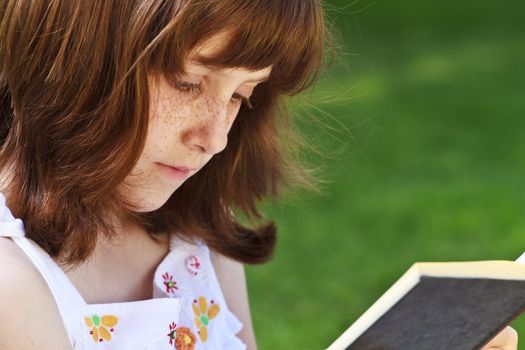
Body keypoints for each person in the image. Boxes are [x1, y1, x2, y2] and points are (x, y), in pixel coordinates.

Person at [0, 1, 518, 350]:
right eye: (188, 82)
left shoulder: (198, 236)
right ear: (71, 59)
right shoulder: (13, 281)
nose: (216, 136)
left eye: (241, 96)